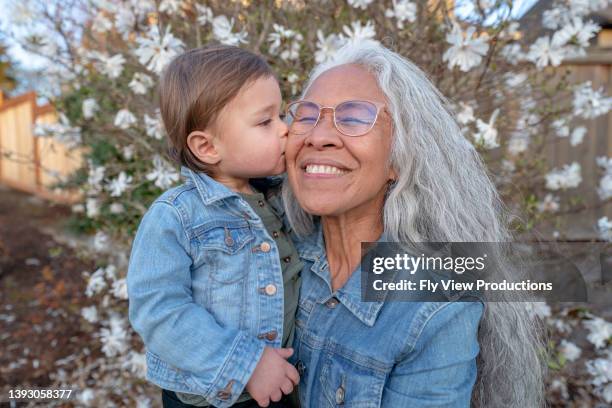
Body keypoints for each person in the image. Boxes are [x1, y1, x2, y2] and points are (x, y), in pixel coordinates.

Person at [282, 42, 546, 407]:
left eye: (354, 117)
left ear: (399, 158)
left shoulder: (436, 309)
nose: (318, 135)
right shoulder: (267, 250)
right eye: (307, 115)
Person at [127, 45, 302, 408]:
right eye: (265, 121)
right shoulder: (175, 216)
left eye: (282, 114)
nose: (286, 130)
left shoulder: (280, 198)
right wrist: (248, 363)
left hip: (282, 384)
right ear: (207, 147)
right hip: (214, 396)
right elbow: (158, 311)